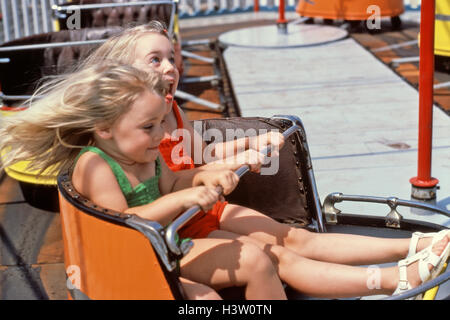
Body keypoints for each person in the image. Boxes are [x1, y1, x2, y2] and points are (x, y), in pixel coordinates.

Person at [1, 59, 449, 300]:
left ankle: (393, 272)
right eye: (148, 128)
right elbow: (125, 223)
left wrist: (202, 178)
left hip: (169, 244)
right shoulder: (97, 164)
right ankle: (393, 273)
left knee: (268, 250)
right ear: (104, 129)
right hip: (142, 257)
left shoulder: (145, 150)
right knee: (255, 258)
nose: (160, 135)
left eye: (160, 124)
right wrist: (189, 195)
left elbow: (173, 185)